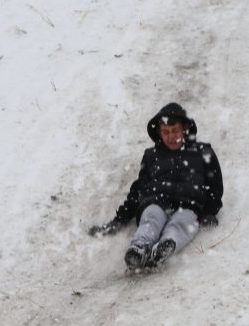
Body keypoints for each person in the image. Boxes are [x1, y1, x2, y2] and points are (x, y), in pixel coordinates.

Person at [88, 103, 223, 268]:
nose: (171, 136)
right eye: (165, 132)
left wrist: (209, 212)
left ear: (185, 128)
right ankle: (139, 247)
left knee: (182, 222)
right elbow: (138, 189)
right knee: (151, 218)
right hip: (157, 201)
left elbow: (214, 186)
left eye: (175, 131)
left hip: (189, 205)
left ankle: (166, 245)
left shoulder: (203, 152)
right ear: (159, 133)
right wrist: (119, 220)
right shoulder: (152, 156)